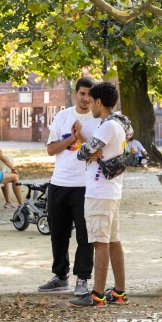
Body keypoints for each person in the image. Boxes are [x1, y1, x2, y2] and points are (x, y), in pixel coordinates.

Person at [70, 81, 133, 308]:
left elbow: (83, 153)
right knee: (113, 240)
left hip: (99, 191)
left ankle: (96, 294)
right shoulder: (119, 123)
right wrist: (87, 143)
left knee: (100, 242)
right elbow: (94, 150)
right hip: (112, 191)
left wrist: (87, 148)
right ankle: (119, 291)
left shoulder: (107, 126)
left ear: (99, 102)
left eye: (92, 101)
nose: (90, 106)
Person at [38, 77, 99, 296]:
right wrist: (71, 138)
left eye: (90, 95)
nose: (86, 98)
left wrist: (81, 136)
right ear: (76, 94)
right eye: (82, 94)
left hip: (85, 186)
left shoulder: (98, 120)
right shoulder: (63, 117)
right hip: (59, 183)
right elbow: (51, 149)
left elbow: (95, 153)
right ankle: (60, 276)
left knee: (85, 235)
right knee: (58, 233)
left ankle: (82, 278)